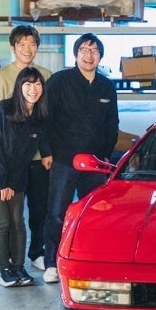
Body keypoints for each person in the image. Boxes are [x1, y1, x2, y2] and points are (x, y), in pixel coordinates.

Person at [39, 33, 119, 283]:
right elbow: (44, 118)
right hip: (63, 159)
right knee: (57, 212)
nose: (89, 55)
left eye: (94, 51)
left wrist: (105, 156)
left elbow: (112, 124)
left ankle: (89, 259)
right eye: (84, 49)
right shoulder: (59, 81)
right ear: (76, 54)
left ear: (100, 57)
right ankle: (52, 262)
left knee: (92, 214)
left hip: (95, 163)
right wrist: (46, 151)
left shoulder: (107, 87)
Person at [0, 67, 48, 287]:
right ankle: (4, 270)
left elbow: (25, 155)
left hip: (16, 175)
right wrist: (2, 183)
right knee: (3, 222)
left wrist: (13, 182)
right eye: (28, 84)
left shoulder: (38, 116)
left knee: (18, 223)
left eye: (38, 84)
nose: (33, 89)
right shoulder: (3, 110)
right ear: (19, 87)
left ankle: (19, 267)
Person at [0, 25, 53, 273]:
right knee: (11, 217)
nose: (27, 48)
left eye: (32, 43)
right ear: (13, 47)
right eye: (22, 44)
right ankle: (10, 263)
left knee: (40, 209)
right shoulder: (0, 77)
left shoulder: (46, 75)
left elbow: (46, 119)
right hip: (11, 160)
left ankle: (37, 252)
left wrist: (46, 151)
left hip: (36, 158)